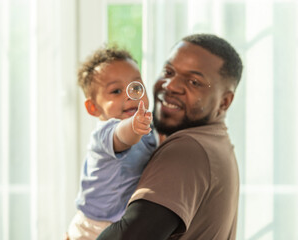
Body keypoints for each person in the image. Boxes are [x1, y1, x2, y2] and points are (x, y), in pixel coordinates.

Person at [97, 33, 243, 240]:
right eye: (168, 72)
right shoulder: (216, 141)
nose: (171, 85)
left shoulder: (187, 149)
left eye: (194, 82)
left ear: (224, 102)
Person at [66, 45, 158, 240]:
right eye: (116, 91)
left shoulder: (147, 128)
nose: (130, 95)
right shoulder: (105, 133)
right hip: (91, 226)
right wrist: (134, 125)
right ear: (93, 107)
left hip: (119, 224)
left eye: (136, 87)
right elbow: (122, 135)